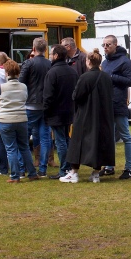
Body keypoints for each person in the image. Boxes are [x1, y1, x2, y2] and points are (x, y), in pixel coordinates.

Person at [62, 49, 116, 183]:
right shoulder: (106, 77)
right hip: (103, 115)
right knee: (99, 142)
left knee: (78, 142)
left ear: (88, 61)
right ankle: (96, 173)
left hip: (86, 114)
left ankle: (74, 173)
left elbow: (76, 96)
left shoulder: (85, 77)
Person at [0, 59, 39, 183]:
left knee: (11, 149)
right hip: (22, 119)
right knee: (24, 147)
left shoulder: (1, 87)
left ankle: (15, 175)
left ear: (6, 73)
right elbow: (25, 98)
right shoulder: (23, 86)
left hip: (5, 120)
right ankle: (32, 173)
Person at [100, 35, 131, 180]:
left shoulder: (124, 61)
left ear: (115, 45)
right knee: (108, 137)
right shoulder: (105, 62)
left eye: (108, 44)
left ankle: (128, 168)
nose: (105, 47)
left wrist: (112, 77)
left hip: (118, 103)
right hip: (106, 103)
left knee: (126, 136)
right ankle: (109, 166)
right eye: (103, 45)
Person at [18, 37, 53, 177]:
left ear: (33, 48)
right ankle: (43, 169)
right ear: (45, 49)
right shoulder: (50, 64)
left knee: (24, 137)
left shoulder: (28, 63)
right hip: (45, 105)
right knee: (45, 138)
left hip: (30, 105)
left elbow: (21, 83)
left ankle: (22, 168)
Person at [43, 44, 78, 179]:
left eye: (51, 54)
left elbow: (48, 96)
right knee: (66, 139)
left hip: (56, 112)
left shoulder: (52, 73)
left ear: (56, 56)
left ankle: (64, 169)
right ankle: (69, 166)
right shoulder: (72, 71)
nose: (50, 56)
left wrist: (46, 111)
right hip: (69, 110)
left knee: (60, 141)